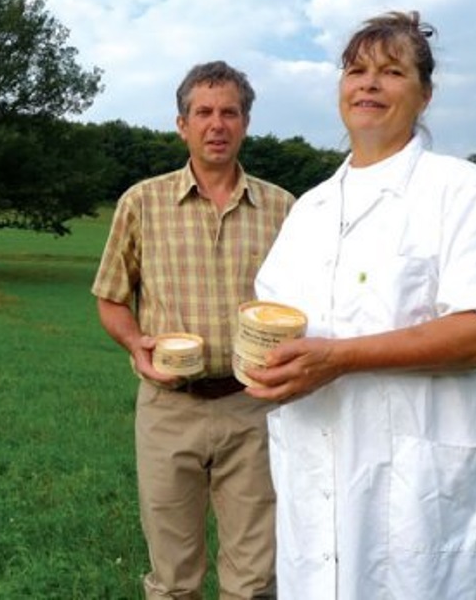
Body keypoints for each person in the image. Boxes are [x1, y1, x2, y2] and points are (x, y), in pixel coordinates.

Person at [246, 11, 476, 599]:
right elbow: (275, 324)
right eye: (356, 70)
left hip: (427, 500)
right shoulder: (307, 212)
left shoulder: (468, 194)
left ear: (425, 95)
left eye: (391, 72)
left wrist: (340, 358)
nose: (368, 83)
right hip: (317, 484)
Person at [92, 61, 294, 599]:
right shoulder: (142, 202)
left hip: (254, 408)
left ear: (246, 123)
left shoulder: (284, 209)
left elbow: (305, 306)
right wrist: (134, 343)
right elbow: (111, 297)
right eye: (203, 112)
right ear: (182, 124)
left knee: (254, 579)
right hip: (168, 408)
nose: (217, 124)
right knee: (173, 579)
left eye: (230, 112)